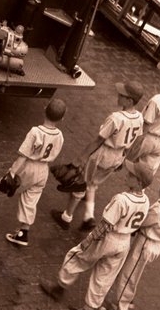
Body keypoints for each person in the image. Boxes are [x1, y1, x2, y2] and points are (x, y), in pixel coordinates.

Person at [41, 162, 153, 310]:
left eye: (132, 175)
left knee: (77, 257)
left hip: (108, 238)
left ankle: (59, 288)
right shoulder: (146, 201)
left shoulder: (122, 199)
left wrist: (89, 240)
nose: (127, 176)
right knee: (105, 276)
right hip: (124, 242)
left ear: (139, 182)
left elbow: (105, 224)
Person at [51, 80, 145, 231]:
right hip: (118, 156)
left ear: (130, 100)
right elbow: (135, 141)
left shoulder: (116, 117)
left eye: (122, 95)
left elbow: (98, 140)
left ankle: (66, 217)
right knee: (93, 184)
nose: (118, 96)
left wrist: (80, 158)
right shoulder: (139, 118)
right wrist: (123, 158)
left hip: (103, 154)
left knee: (80, 184)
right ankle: (88, 217)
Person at [0, 98, 66, 247]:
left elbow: (23, 155)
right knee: (31, 199)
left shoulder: (36, 131)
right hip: (44, 170)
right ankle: (23, 232)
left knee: (5, 184)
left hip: (28, 166)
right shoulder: (60, 135)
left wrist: (11, 173)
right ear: (62, 118)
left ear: (44, 109)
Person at [101, 175, 160, 310]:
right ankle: (127, 298)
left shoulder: (159, 211)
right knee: (133, 274)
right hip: (156, 243)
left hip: (146, 242)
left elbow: (142, 223)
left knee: (128, 275)